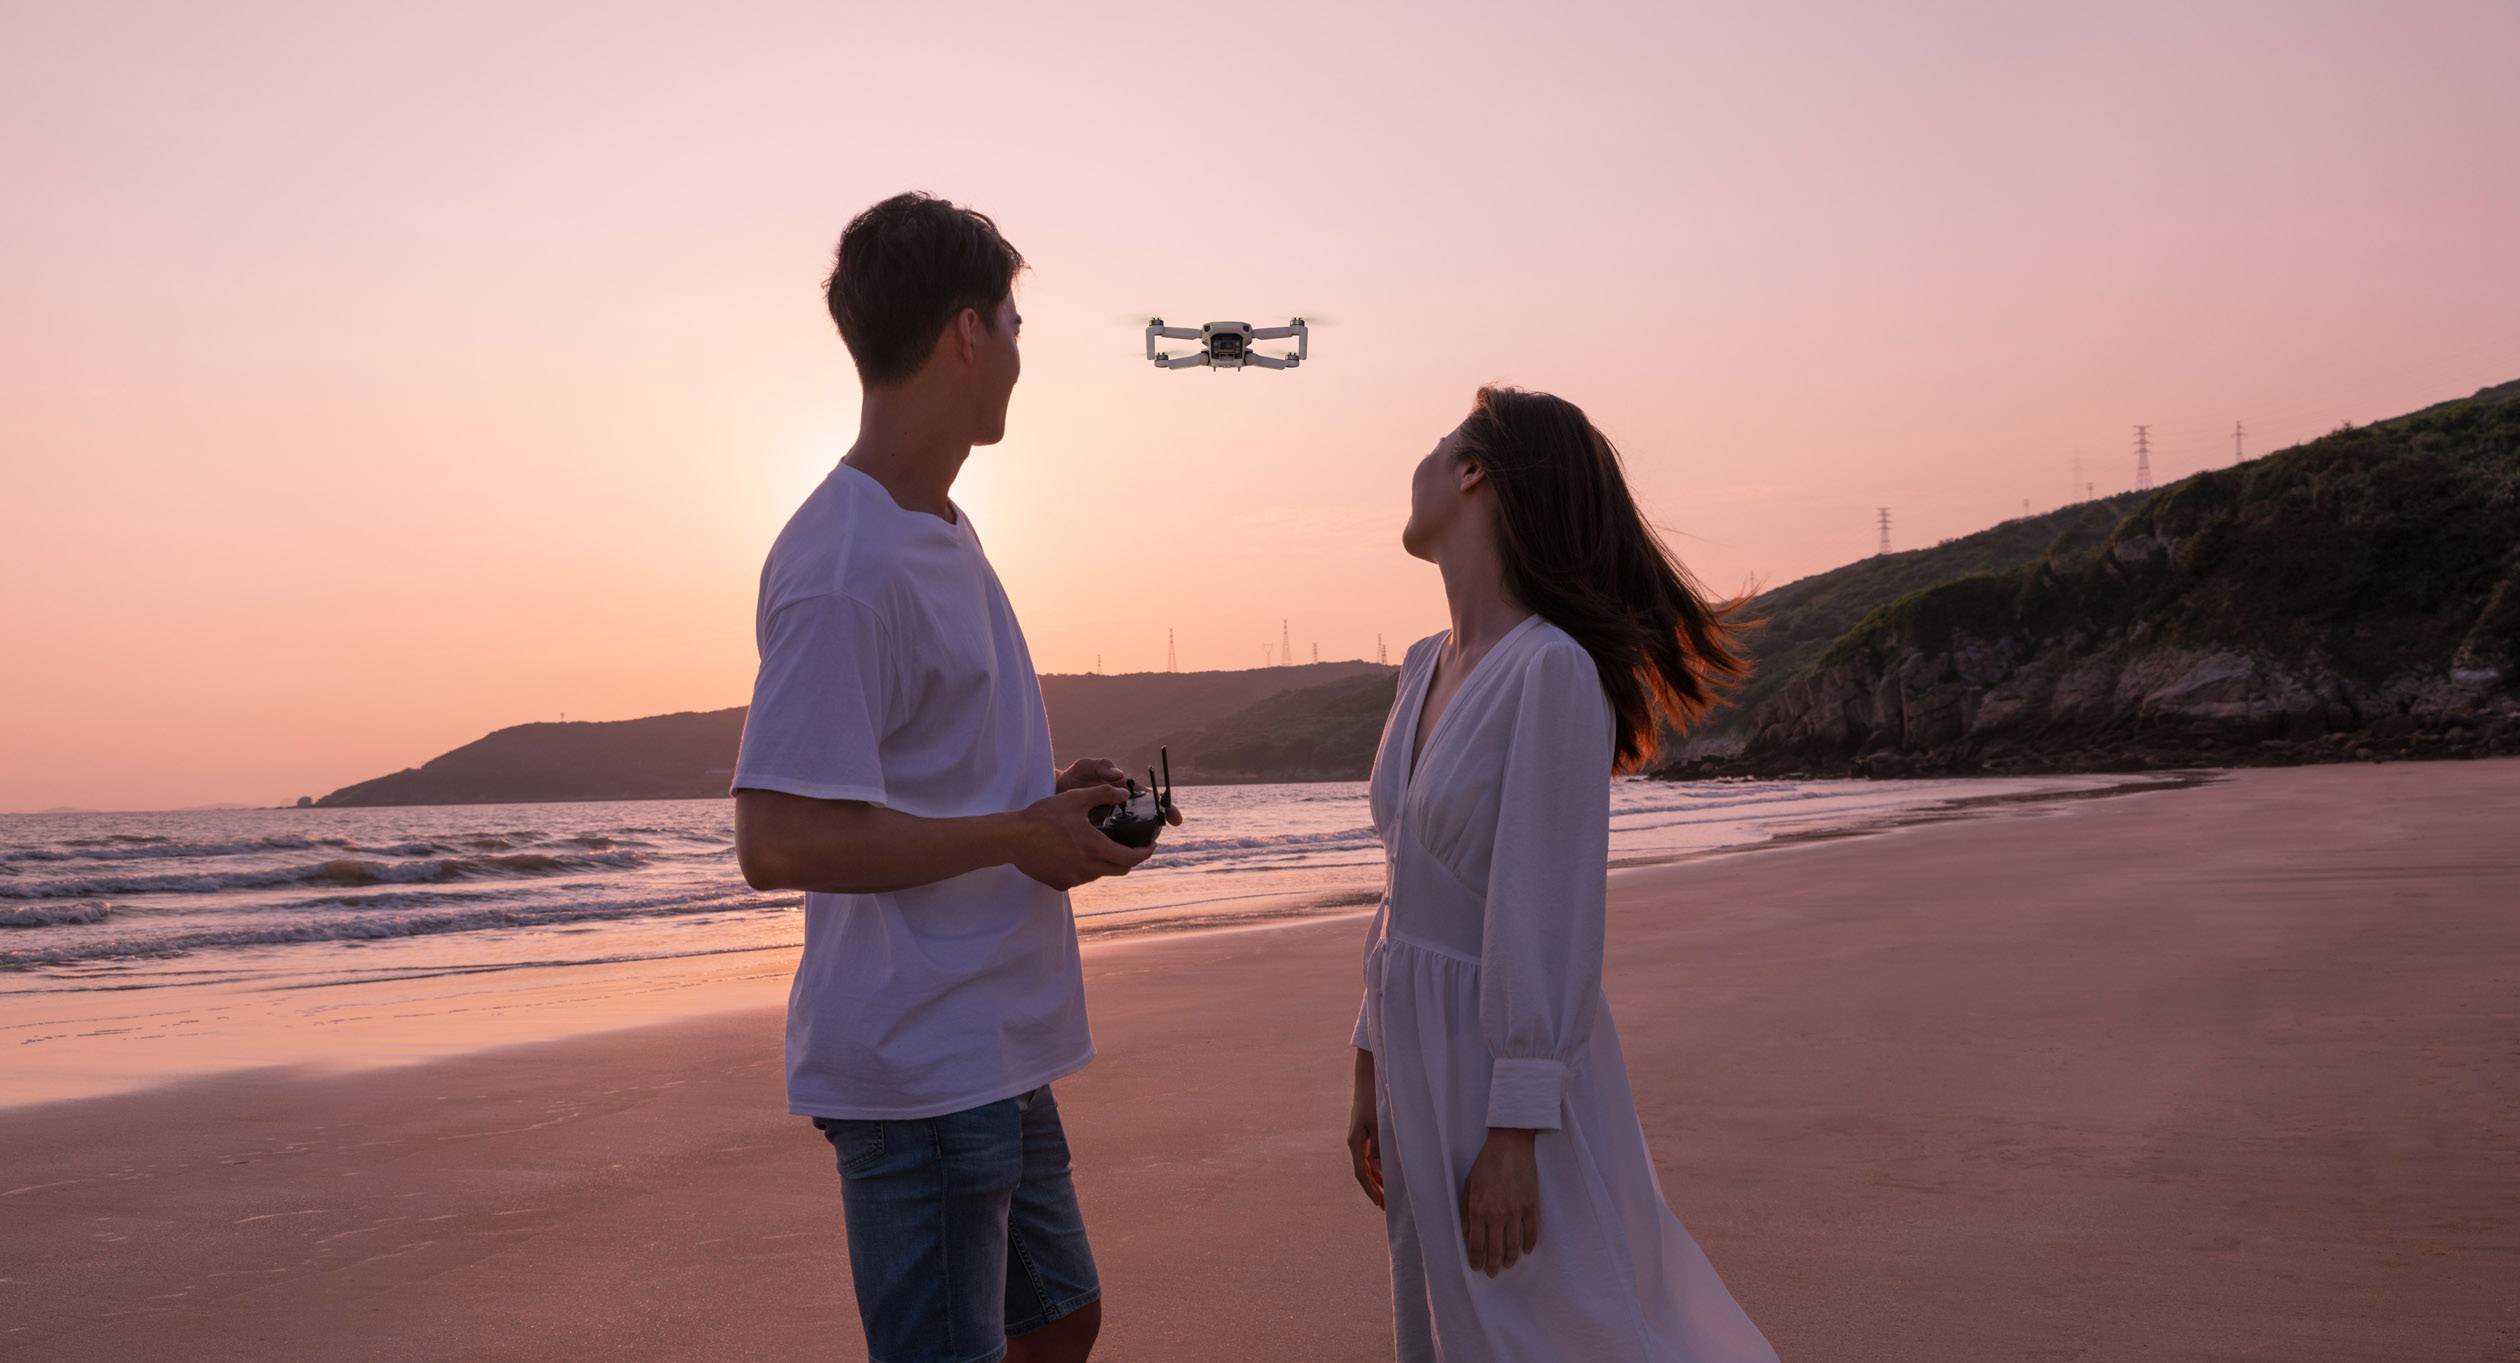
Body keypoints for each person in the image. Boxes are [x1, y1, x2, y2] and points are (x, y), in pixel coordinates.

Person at [733, 192, 1168, 1363]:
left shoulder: (942, 526)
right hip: (919, 1068)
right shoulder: (842, 563)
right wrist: (1015, 835)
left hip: (991, 1039)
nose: (1024, 355)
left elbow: (929, 774)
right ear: (968, 333)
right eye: (1016, 326)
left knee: (1060, 1319)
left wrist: (1045, 791)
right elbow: (776, 842)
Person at [1343, 387, 1777, 1362]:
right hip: (1418, 1059)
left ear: (1473, 474)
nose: (1417, 466)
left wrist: (1517, 1128)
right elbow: (1402, 890)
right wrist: (1369, 1059)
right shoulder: (1422, 666)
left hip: (1499, 1069)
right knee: (1450, 1330)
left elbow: (1548, 911)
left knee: (1559, 1329)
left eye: (1437, 444)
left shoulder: (1551, 672)